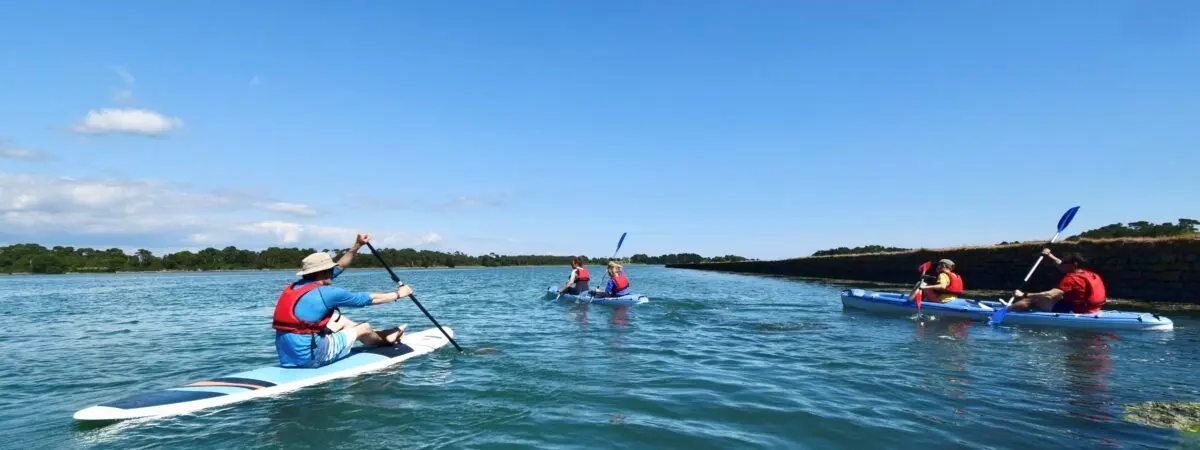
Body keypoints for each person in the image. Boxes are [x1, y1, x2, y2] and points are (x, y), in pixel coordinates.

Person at [273, 233, 413, 368]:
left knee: (340, 320)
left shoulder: (294, 287)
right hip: (311, 358)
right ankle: (385, 339)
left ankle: (382, 334)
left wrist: (357, 245)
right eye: (330, 269)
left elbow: (341, 266)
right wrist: (399, 294)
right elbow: (367, 299)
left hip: (287, 357)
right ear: (323, 272)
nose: (334, 272)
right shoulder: (327, 293)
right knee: (363, 327)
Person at [1008, 248, 1107, 314]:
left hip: (1077, 310)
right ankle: (1015, 307)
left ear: (1074, 264)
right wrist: (1050, 255)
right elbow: (1060, 263)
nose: (1061, 264)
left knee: (1031, 300)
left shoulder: (1071, 279)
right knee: (1059, 295)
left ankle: (1006, 311)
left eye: (1065, 262)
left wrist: (1023, 294)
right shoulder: (1091, 274)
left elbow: (1050, 294)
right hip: (1094, 309)